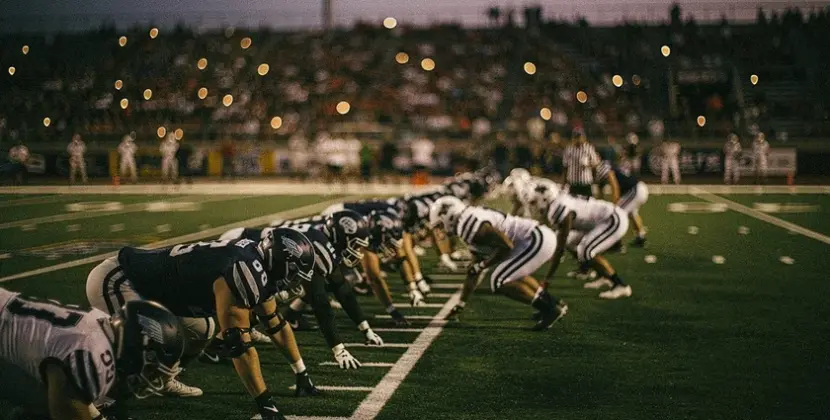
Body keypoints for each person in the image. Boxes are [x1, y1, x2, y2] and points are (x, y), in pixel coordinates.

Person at [86, 228, 320, 420]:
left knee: (203, 329)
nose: (294, 282)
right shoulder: (243, 271)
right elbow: (239, 345)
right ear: (278, 260)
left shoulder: (256, 264)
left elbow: (276, 325)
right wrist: (266, 404)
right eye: (293, 273)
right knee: (143, 342)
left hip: (159, 291)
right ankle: (101, 400)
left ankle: (165, 380)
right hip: (120, 280)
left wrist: (301, 372)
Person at [220, 211, 385, 370]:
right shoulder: (317, 249)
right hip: (238, 246)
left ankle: (256, 324)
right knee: (256, 299)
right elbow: (320, 303)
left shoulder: (323, 246)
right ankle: (217, 344)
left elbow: (341, 288)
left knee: (285, 291)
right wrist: (338, 349)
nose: (357, 251)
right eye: (354, 244)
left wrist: (365, 329)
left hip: (258, 252)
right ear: (340, 236)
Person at [0, 288, 185, 420]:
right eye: (151, 368)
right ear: (139, 346)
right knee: (57, 402)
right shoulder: (93, 354)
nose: (150, 377)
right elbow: (66, 414)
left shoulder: (100, 321)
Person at [429, 196, 567, 331]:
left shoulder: (466, 224)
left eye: (440, 225)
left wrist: (483, 265)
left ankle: (549, 309)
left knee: (499, 280)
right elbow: (474, 269)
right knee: (512, 275)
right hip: (536, 237)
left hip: (535, 239)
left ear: (449, 215)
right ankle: (552, 303)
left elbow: (506, 245)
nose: (440, 230)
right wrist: (460, 304)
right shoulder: (467, 219)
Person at [544, 192, 633, 299]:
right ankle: (602, 276)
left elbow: (560, 249)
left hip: (613, 219)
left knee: (585, 250)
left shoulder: (560, 210)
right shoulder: (560, 201)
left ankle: (620, 285)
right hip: (601, 222)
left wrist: (547, 279)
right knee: (571, 242)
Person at [594, 160, 649, 247]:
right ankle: (641, 237)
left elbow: (615, 187)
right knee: (632, 213)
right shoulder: (605, 166)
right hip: (638, 188)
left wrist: (614, 205)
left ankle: (617, 244)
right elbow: (601, 192)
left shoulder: (602, 168)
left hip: (635, 190)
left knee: (617, 214)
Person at [561, 131, 599, 197]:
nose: (578, 140)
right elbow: (565, 166)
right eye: (576, 138)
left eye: (580, 137)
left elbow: (595, 164)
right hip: (573, 182)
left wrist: (588, 164)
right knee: (573, 204)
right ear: (573, 139)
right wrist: (564, 183)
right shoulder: (568, 149)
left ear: (584, 138)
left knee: (587, 204)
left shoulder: (589, 148)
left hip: (586, 182)